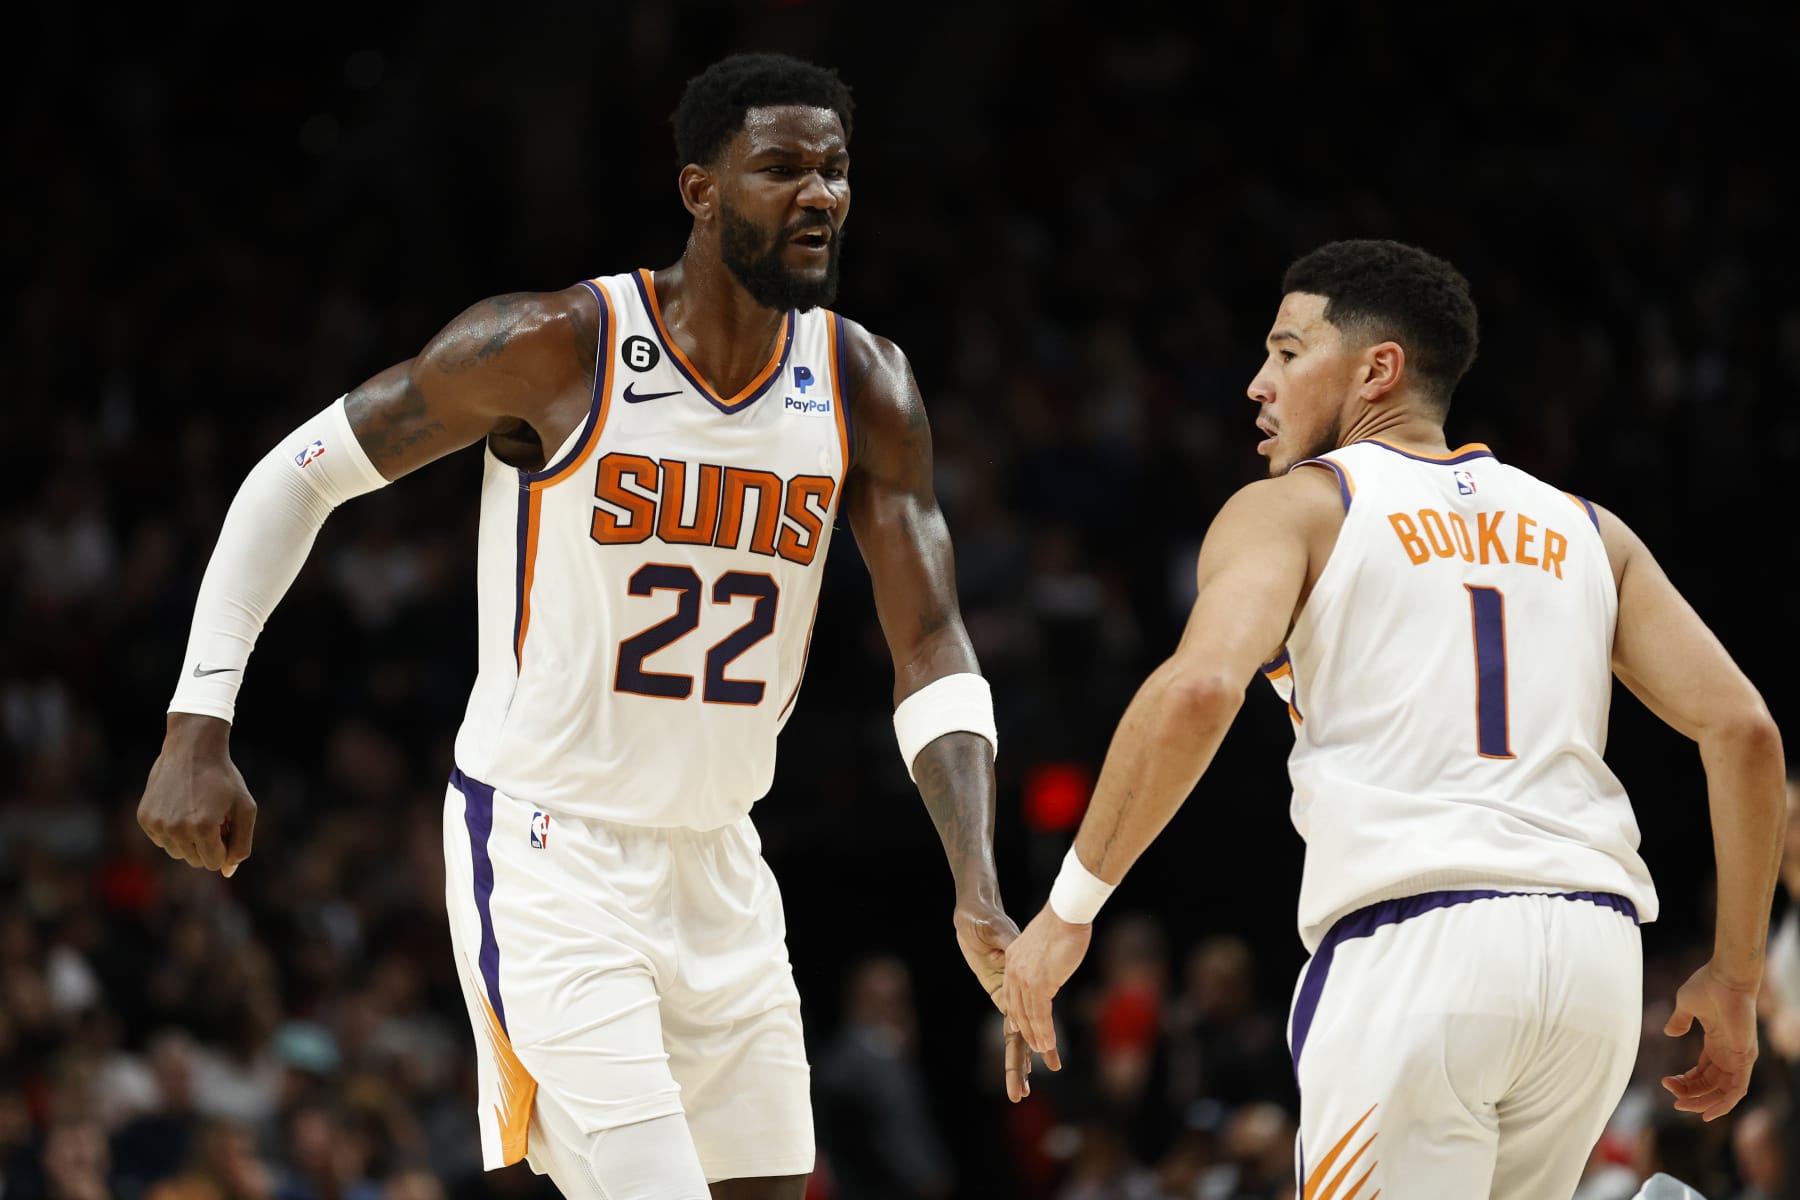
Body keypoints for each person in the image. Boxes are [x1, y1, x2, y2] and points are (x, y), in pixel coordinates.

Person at [135, 52, 1022, 1200]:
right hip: (552, 850)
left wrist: (976, 878)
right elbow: (296, 478)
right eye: (782, 168)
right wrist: (197, 721)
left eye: (837, 171)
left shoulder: (864, 384)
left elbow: (932, 643)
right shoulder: (558, 345)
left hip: (722, 859)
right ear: (701, 190)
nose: (820, 195)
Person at [1003, 239, 1786, 1198]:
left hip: (1417, 944)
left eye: (1288, 353)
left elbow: (1199, 689)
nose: (1259, 383)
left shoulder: (1297, 508)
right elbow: (1745, 730)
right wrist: (1738, 977)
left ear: (1378, 368)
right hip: (1595, 955)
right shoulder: (1588, 528)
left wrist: (1068, 910)